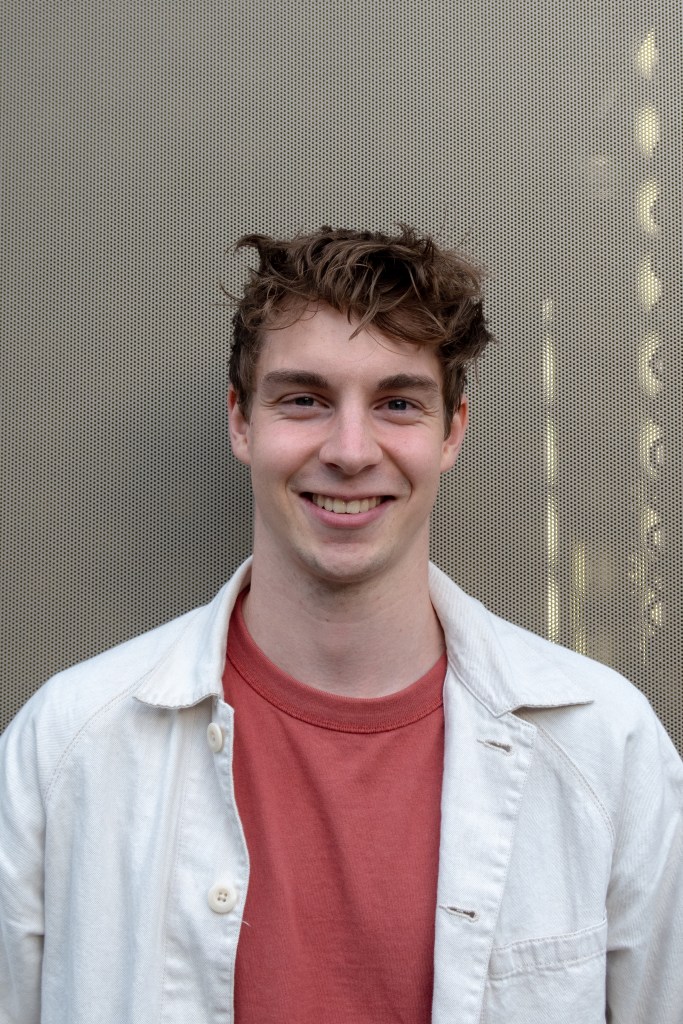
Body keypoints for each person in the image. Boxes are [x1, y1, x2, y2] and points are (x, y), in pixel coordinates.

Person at [1, 225, 682, 1024]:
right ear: (241, 422)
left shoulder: (604, 748)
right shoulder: (68, 746)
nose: (351, 451)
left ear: (451, 431)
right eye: (304, 400)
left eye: (397, 403)